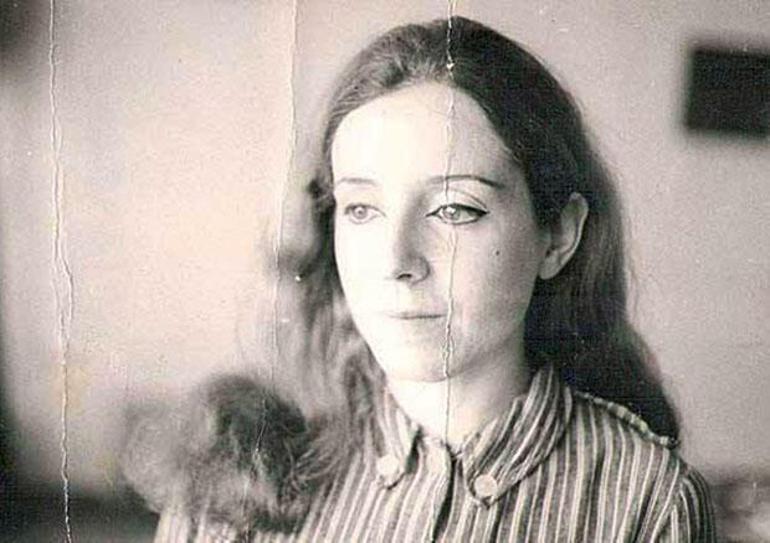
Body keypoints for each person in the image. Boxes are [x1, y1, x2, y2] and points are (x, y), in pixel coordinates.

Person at [125, 16, 716, 541]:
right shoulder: (235, 468)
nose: (395, 260)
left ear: (558, 236)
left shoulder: (649, 504)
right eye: (362, 209)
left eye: (454, 209)